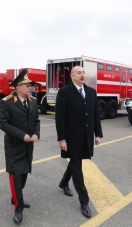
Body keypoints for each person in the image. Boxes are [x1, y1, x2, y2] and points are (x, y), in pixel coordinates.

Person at [55, 65, 103, 218]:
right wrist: (62, 138)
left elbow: (95, 115)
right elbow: (59, 117)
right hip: (71, 138)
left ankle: (63, 183)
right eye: (78, 73)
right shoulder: (64, 92)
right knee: (77, 168)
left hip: (86, 136)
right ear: (72, 76)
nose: (82, 75)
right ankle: (84, 201)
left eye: (83, 72)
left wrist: (98, 134)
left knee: (75, 161)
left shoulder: (91, 92)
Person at [0, 69, 40, 224]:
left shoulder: (33, 101)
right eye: (26, 85)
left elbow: (36, 121)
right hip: (14, 146)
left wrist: (36, 134)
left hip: (28, 146)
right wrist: (22, 135)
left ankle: (15, 196)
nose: (29, 87)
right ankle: (18, 208)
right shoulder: (7, 102)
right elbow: (3, 124)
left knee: (23, 174)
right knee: (16, 175)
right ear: (17, 87)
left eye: (29, 85)